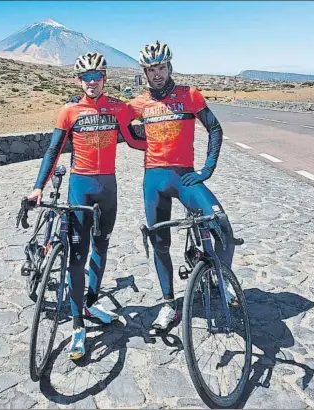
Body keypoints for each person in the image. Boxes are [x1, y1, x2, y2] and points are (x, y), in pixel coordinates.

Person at [27, 52, 146, 359]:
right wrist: (38, 186)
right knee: (77, 258)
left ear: (105, 78)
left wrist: (168, 144)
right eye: (87, 78)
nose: (92, 83)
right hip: (80, 187)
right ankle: (78, 324)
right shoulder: (69, 110)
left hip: (108, 186)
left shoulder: (117, 107)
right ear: (78, 80)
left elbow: (134, 141)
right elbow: (53, 150)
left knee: (102, 246)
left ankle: (90, 302)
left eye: (97, 77)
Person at [128, 41, 236, 330]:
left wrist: (207, 169)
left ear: (170, 67)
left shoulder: (190, 95)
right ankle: (168, 306)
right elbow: (120, 125)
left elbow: (215, 128)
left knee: (222, 224)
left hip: (185, 177)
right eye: (151, 70)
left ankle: (221, 278)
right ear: (145, 73)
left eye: (161, 67)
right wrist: (142, 144)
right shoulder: (139, 104)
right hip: (154, 180)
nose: (157, 74)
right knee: (159, 243)